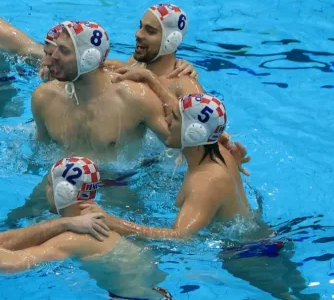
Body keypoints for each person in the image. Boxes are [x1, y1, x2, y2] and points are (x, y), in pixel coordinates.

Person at [0, 156, 143, 271]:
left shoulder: (74, 238)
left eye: (49, 185)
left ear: (63, 191)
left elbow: (10, 264)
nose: (45, 190)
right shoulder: (100, 219)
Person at [87, 93, 250, 238]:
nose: (167, 121)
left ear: (194, 132)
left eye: (175, 118)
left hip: (244, 255)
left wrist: (115, 222)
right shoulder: (219, 150)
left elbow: (180, 237)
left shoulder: (206, 182)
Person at [31, 20, 171, 158]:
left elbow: (182, 144)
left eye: (63, 51)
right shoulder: (44, 97)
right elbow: (40, 153)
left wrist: (152, 80)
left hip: (118, 179)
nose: (47, 61)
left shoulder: (135, 98)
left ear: (88, 59)